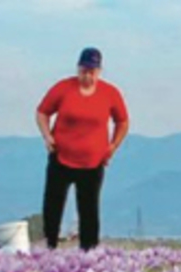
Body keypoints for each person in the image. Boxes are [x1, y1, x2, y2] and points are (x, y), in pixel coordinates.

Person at [36, 47, 129, 251]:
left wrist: (113, 146)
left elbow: (122, 121)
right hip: (61, 156)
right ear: (78, 69)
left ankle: (89, 250)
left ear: (99, 71)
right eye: (84, 70)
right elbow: (42, 112)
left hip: (93, 161)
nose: (87, 76)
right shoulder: (63, 88)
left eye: (92, 72)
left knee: (89, 208)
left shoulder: (110, 93)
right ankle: (49, 244)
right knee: (53, 203)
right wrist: (47, 136)